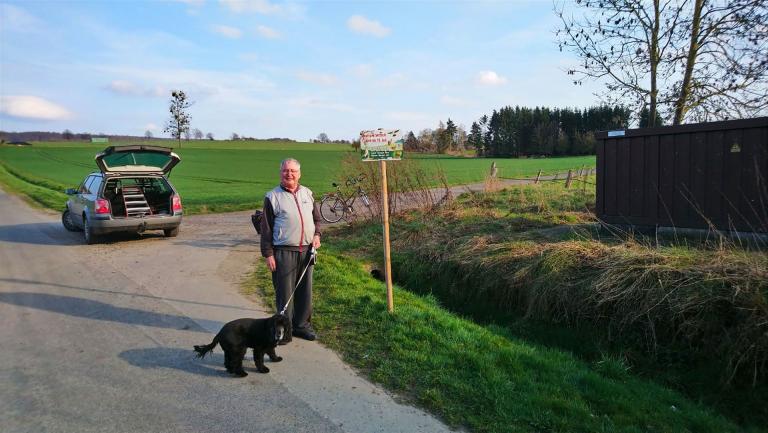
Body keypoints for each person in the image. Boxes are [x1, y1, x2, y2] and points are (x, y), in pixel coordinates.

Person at [260, 158, 321, 343]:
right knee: (284, 294)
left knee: (305, 291)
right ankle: (284, 331)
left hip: (307, 251)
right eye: (286, 171)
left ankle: (301, 326)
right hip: (283, 252)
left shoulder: (308, 193)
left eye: (293, 171)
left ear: (299, 174)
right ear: (280, 173)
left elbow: (316, 219)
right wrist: (268, 254)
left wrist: (317, 235)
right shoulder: (272, 197)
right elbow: (266, 229)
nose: (289, 174)